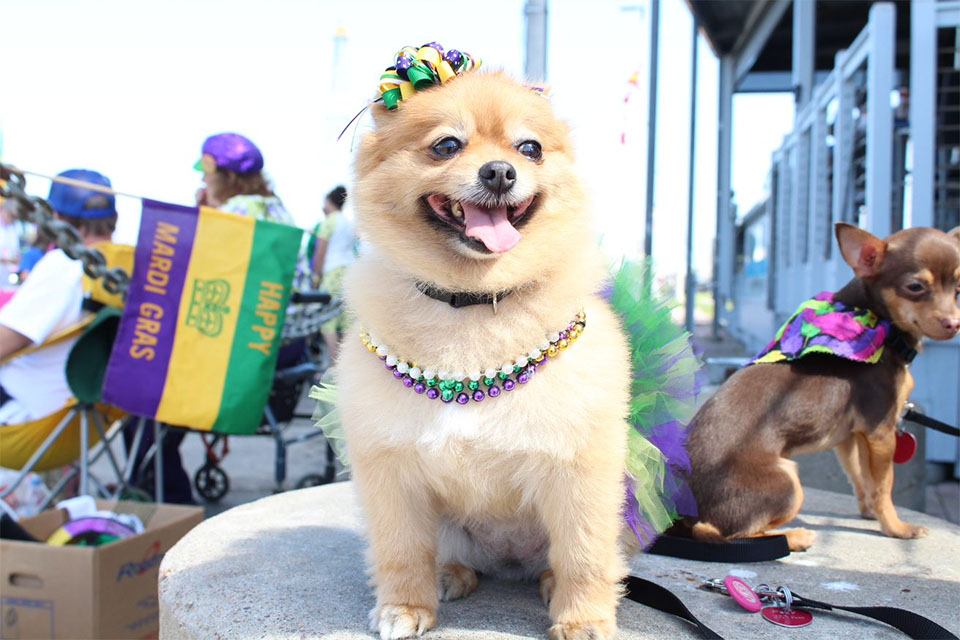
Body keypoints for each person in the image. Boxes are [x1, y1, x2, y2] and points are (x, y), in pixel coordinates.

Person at [0, 169, 117, 424]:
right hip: (86, 417)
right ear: (115, 219)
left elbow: (7, 341)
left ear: (55, 218)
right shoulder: (121, 272)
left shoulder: (65, 265)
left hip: (24, 415)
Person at [194, 132, 295, 225]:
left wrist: (201, 216)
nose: (203, 179)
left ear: (229, 176)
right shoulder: (277, 208)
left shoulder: (235, 211)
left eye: (206, 173)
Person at [307, 186, 355, 361]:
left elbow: (320, 253)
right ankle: (348, 363)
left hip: (332, 273)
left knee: (328, 321)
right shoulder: (349, 223)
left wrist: (316, 277)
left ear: (328, 202)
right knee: (348, 321)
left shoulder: (328, 222)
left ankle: (335, 364)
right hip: (350, 272)